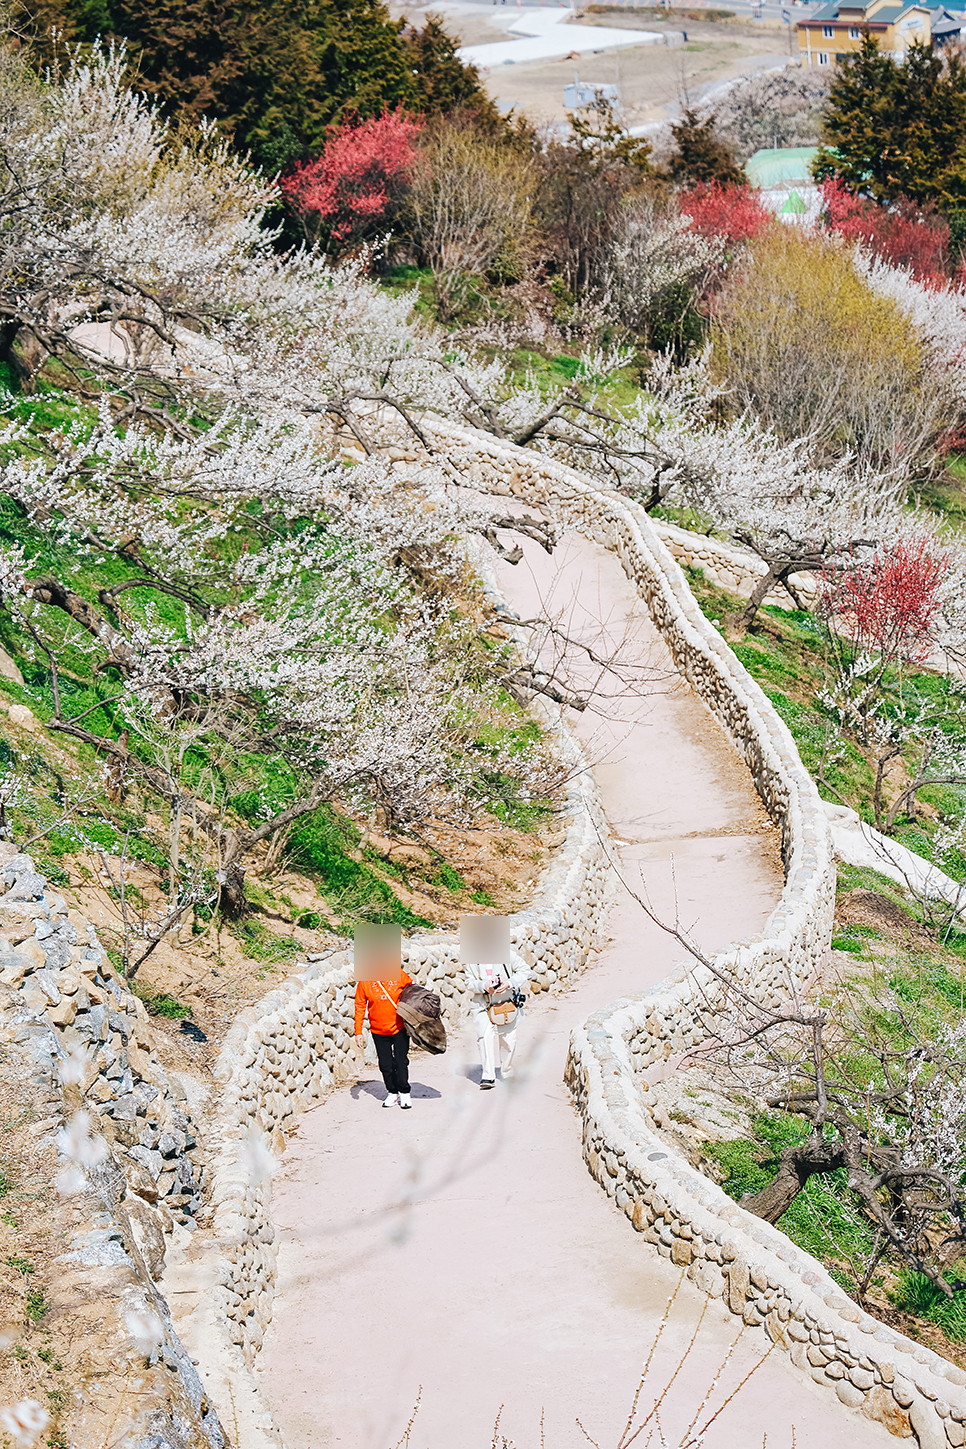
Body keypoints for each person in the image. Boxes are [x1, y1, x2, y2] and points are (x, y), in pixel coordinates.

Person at [463, 945, 529, 1090]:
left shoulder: (507, 954)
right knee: (484, 1036)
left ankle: (506, 1071)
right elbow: (469, 982)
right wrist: (483, 985)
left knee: (508, 1039)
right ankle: (488, 1075)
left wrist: (508, 983)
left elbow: (524, 970)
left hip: (505, 1002)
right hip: (482, 1004)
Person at [355, 964, 414, 1109]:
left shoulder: (399, 974)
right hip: (378, 1031)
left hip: (400, 1028)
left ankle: (404, 1092)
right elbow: (360, 1005)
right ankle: (392, 1092)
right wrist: (358, 1031)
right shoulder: (365, 982)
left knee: (401, 1061)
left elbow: (413, 991)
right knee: (385, 1064)